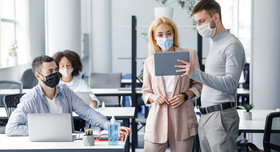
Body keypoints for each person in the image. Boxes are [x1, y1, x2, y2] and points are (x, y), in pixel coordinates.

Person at [175, 1, 246, 151]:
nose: (199, 26)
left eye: (202, 21)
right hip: (207, 115)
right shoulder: (215, 43)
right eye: (196, 22)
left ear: (216, 18)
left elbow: (231, 83)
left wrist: (195, 73)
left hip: (221, 116)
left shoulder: (231, 45)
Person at [5, 55, 131, 136]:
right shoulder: (30, 99)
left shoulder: (64, 90)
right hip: (43, 147)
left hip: (67, 144)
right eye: (50, 71)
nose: (55, 74)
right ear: (38, 76)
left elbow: (87, 111)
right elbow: (11, 129)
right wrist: (41, 131)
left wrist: (110, 127)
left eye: (56, 70)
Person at [142, 17, 202, 152]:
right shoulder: (150, 61)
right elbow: (146, 92)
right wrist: (153, 97)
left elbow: (199, 85)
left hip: (183, 117)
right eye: (160, 34)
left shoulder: (189, 55)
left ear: (174, 34)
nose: (165, 37)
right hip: (157, 117)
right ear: (154, 37)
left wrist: (184, 95)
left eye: (169, 33)